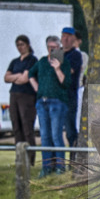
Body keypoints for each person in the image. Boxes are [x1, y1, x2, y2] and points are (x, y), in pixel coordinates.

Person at [28, 35, 72, 178]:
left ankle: (60, 166)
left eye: (55, 47)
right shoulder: (41, 62)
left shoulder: (64, 62)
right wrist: (37, 88)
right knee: (45, 136)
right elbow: (30, 74)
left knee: (56, 135)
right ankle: (47, 167)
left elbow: (66, 83)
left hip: (57, 102)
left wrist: (58, 69)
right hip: (42, 102)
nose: (52, 50)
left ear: (59, 48)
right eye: (50, 47)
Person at [3, 35, 39, 166]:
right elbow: (6, 78)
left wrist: (15, 77)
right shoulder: (15, 61)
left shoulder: (32, 60)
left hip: (27, 96)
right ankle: (19, 157)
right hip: (14, 94)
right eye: (18, 45)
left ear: (28, 45)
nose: (20, 47)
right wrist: (17, 76)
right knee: (16, 126)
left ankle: (30, 159)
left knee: (26, 127)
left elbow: (25, 78)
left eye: (22, 44)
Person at [60, 26, 83, 159]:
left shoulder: (76, 55)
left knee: (70, 130)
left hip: (69, 97)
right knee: (55, 132)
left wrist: (57, 68)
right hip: (58, 97)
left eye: (68, 36)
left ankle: (73, 159)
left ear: (73, 38)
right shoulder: (58, 52)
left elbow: (69, 72)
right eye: (63, 36)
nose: (65, 39)